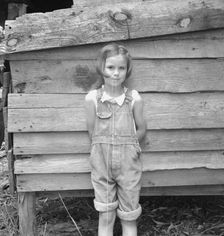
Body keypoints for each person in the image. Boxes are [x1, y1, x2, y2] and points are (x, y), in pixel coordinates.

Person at [85, 43, 146, 236]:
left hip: (129, 165)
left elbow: (142, 128)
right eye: (111, 67)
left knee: (129, 216)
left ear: (127, 70)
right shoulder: (92, 99)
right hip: (101, 165)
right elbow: (92, 133)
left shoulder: (134, 98)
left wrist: (131, 146)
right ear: (101, 68)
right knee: (106, 215)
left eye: (121, 68)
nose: (116, 73)